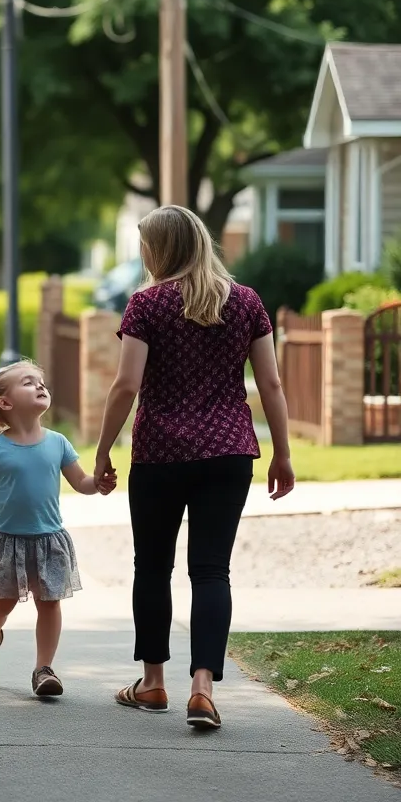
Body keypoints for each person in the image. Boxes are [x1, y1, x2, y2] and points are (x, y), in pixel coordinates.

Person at [94, 205, 295, 730]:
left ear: (159, 250)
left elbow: (126, 385)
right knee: (211, 570)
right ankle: (202, 690)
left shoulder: (145, 304)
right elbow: (271, 385)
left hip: (160, 452)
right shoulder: (246, 302)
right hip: (228, 453)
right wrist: (284, 452)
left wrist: (102, 450)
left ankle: (154, 683)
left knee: (152, 567)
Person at [0, 360, 115, 697]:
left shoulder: (57, 442)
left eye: (41, 382)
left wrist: (97, 483)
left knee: (50, 602)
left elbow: (80, 481)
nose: (40, 386)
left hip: (48, 539)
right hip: (8, 541)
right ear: (5, 403)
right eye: (28, 382)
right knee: (3, 602)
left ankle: (44, 669)